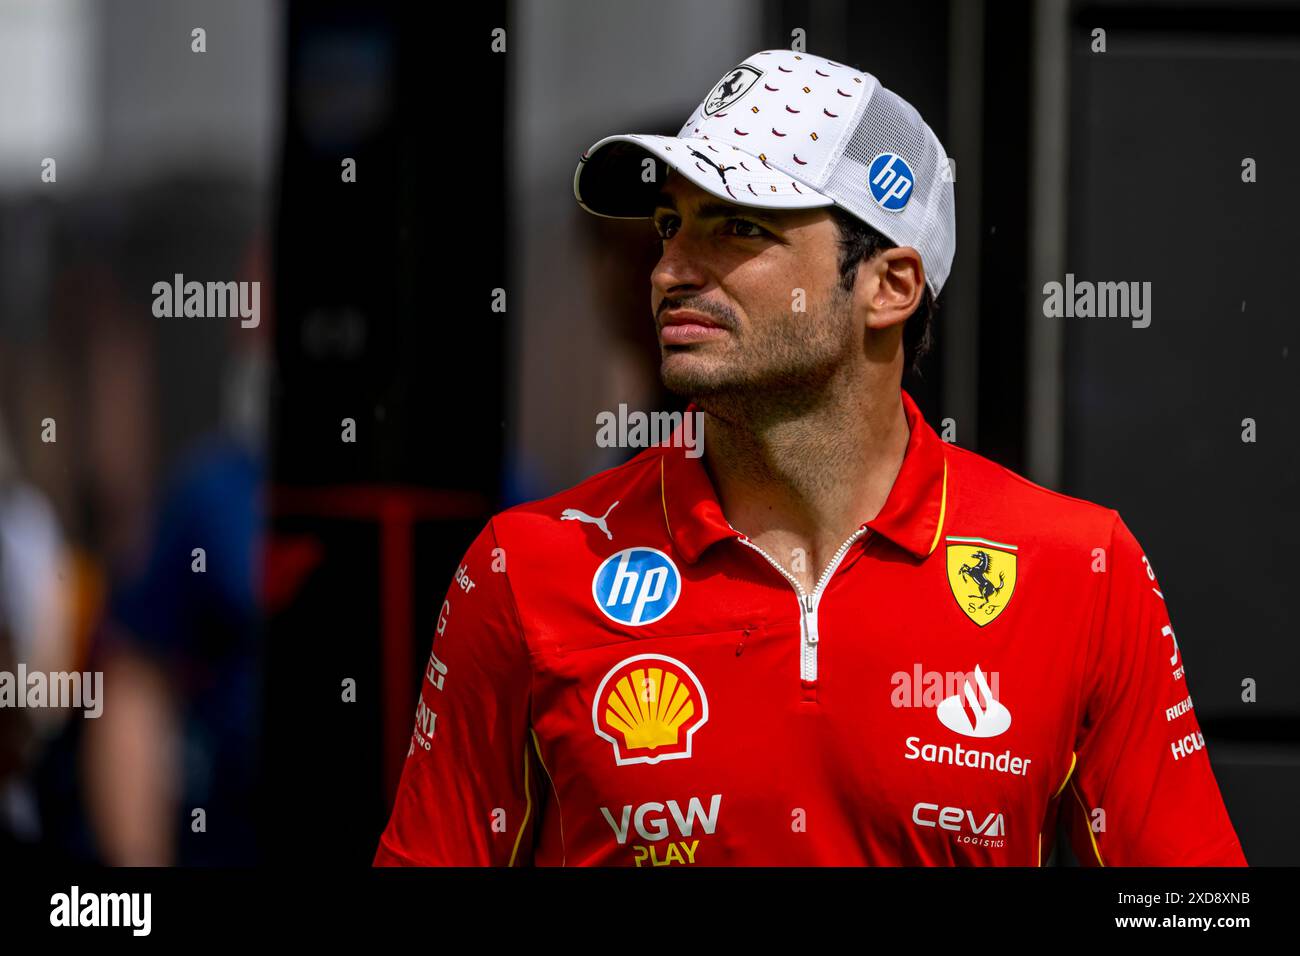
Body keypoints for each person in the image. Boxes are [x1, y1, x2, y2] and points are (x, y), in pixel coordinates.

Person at [374, 49, 1245, 866]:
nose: (669, 267)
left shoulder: (1082, 569)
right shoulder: (527, 566)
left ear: (890, 286)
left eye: (738, 227)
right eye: (672, 224)